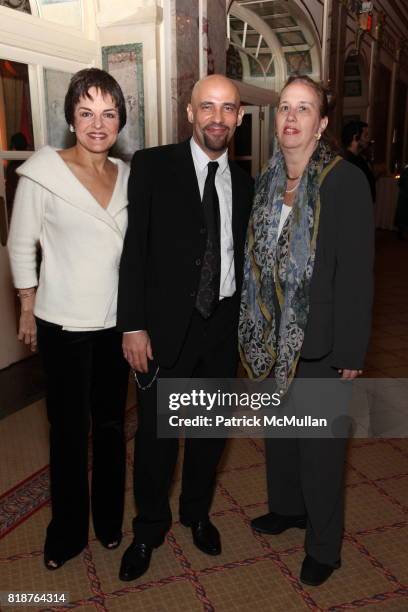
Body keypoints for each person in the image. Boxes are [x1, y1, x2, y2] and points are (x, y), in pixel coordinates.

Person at [117, 74, 253, 582]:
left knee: (209, 437)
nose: (217, 117)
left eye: (228, 108)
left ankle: (196, 513)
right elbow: (134, 251)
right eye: (207, 107)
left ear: (239, 117)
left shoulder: (245, 181)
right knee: (157, 440)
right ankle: (149, 527)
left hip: (221, 330)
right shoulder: (153, 165)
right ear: (190, 113)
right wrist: (132, 325)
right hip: (164, 332)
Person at [239, 76, 374, 586]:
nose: (291, 118)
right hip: (273, 338)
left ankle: (324, 546)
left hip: (321, 342)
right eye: (284, 108)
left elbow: (358, 272)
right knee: (280, 438)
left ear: (320, 124)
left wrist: (350, 348)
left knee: (319, 449)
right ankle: (288, 509)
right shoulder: (270, 179)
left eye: (304, 109)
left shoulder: (343, 180)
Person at [7, 68, 130, 570]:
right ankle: (66, 532)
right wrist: (26, 306)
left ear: (121, 119)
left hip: (115, 324)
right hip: (62, 326)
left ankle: (107, 521)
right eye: (86, 113)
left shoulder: (129, 175)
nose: (97, 124)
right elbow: (21, 243)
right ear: (71, 119)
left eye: (108, 113)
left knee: (110, 427)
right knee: (67, 433)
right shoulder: (44, 170)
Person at [341, 120, 376, 202]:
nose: (368, 139)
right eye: (365, 135)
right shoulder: (347, 161)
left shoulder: (360, 158)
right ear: (355, 137)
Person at [394, 163, 408, 240]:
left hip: (404, 196)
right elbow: (401, 183)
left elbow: (400, 183)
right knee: (403, 215)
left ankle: (401, 233)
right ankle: (401, 233)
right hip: (405, 196)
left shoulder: (405, 171)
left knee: (403, 215)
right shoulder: (405, 171)